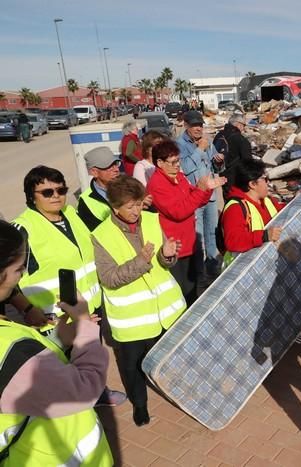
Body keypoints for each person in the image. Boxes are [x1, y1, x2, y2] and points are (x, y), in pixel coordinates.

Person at [0, 220, 113, 465]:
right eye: (19, 268)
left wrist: (59, 339)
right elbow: (85, 388)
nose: (22, 275)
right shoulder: (12, 352)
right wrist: (83, 323)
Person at [12, 165, 126, 407]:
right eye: (47, 192)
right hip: (53, 316)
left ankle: (96, 393)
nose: (56, 196)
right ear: (32, 196)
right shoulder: (24, 228)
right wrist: (26, 310)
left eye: (60, 190)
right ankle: (74, 409)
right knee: (61, 368)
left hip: (88, 307)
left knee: (90, 355)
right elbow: (7, 278)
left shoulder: (71, 214)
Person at [92, 175, 185, 426]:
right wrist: (141, 262)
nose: (137, 211)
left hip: (166, 312)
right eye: (130, 206)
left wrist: (168, 256)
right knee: (132, 367)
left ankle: (178, 393)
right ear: (115, 208)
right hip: (132, 320)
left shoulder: (153, 219)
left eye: (139, 203)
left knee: (168, 358)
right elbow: (109, 278)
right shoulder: (101, 235)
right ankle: (140, 405)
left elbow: (165, 264)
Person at [147, 140, 226, 306]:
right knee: (183, 293)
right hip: (176, 247)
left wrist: (206, 189)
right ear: (160, 163)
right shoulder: (157, 184)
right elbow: (179, 211)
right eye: (173, 162)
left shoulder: (179, 177)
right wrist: (200, 190)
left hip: (190, 242)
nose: (177, 165)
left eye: (178, 160)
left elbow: (195, 200)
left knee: (195, 286)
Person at [176, 110, 224, 276]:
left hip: (209, 196)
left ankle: (212, 270)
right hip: (193, 197)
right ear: (186, 126)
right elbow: (186, 168)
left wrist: (219, 161)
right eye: (194, 125)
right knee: (198, 237)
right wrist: (200, 149)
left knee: (212, 232)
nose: (198, 129)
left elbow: (214, 167)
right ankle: (199, 274)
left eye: (200, 125)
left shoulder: (207, 142)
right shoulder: (179, 145)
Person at [220, 158, 283, 268]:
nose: (269, 183)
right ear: (252, 184)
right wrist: (264, 236)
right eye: (265, 179)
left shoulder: (269, 201)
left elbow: (284, 213)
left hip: (266, 265)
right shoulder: (235, 208)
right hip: (243, 270)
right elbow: (233, 241)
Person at [76, 146, 123, 231]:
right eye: (109, 166)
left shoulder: (130, 186)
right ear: (94, 172)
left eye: (116, 164)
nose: (116, 169)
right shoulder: (85, 202)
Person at [217, 113, 253, 200]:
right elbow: (248, 163)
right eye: (243, 125)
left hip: (222, 176)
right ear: (238, 124)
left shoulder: (218, 136)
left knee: (227, 202)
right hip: (237, 180)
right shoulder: (241, 140)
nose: (244, 128)